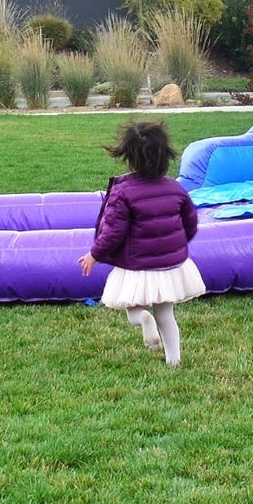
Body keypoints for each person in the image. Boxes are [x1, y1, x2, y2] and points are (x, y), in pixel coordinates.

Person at [78, 119, 204, 366]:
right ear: (164, 155)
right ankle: (173, 360)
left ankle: (144, 320)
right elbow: (190, 223)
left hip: (136, 266)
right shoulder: (175, 188)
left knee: (130, 306)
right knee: (166, 313)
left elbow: (113, 232)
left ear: (130, 157)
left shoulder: (123, 192)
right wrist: (176, 246)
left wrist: (94, 254)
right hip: (169, 265)